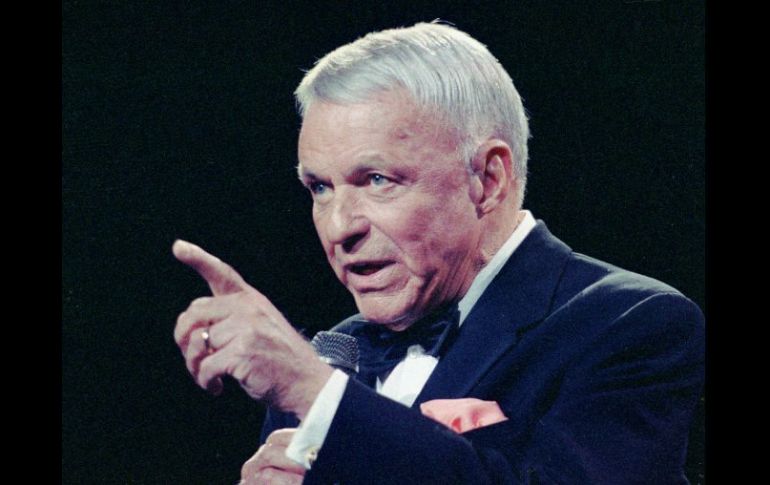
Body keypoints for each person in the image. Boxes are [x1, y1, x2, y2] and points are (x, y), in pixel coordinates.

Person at [173, 22, 704, 484]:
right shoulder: (335, 356)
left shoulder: (631, 324)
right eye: (320, 188)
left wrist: (314, 393)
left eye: (377, 179)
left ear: (488, 180)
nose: (339, 227)